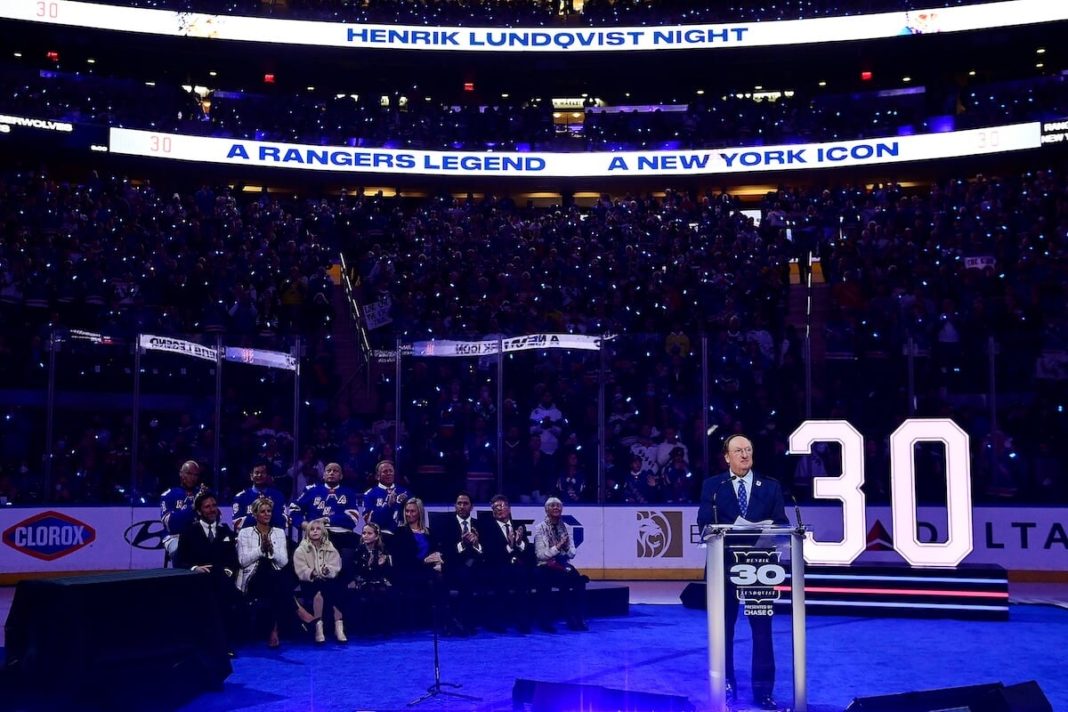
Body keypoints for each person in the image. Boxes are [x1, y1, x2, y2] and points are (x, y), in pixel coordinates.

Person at [697, 434, 788, 710]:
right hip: (723, 568)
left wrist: (771, 533)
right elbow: (703, 524)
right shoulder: (713, 486)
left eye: (748, 450)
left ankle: (763, 692)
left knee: (762, 632)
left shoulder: (771, 487)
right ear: (727, 456)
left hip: (759, 569)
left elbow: (782, 525)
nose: (745, 455)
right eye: (738, 451)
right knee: (723, 630)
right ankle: (725, 685)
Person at [173, 490, 242, 647]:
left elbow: (233, 560)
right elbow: (179, 561)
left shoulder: (225, 532)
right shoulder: (188, 532)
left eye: (214, 506)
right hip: (197, 580)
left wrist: (227, 571)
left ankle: (223, 644)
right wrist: (195, 568)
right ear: (199, 511)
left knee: (227, 595)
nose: (212, 510)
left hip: (221, 580)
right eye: (207, 507)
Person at [288, 461, 362, 575]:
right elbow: (294, 509)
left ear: (341, 476)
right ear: (323, 475)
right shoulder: (311, 490)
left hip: (342, 534)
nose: (331, 473)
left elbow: (353, 518)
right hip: (318, 535)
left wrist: (327, 520)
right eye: (328, 470)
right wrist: (304, 524)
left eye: (335, 471)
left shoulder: (348, 492)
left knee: (360, 547)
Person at [236, 497, 291, 648]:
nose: (267, 514)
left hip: (274, 578)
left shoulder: (279, 533)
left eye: (269, 511)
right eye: (262, 511)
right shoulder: (245, 533)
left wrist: (271, 550)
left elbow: (283, 561)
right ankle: (295, 612)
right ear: (254, 514)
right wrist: (261, 550)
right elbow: (243, 561)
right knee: (274, 578)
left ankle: (273, 630)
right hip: (252, 578)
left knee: (275, 580)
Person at [479, 494, 537, 633]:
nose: (500, 509)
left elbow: (528, 551)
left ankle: (522, 621)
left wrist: (519, 543)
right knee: (502, 576)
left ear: (509, 509)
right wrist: (510, 546)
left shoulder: (519, 526)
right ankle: (496, 621)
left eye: (503, 506)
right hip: (497, 566)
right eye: (496, 507)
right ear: (492, 511)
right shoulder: (487, 528)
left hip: (518, 566)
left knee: (523, 576)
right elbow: (490, 553)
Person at [533, 497, 588, 632]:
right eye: (552, 506)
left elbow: (572, 553)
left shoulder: (567, 528)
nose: (556, 508)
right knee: (545, 581)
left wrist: (567, 547)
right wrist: (558, 547)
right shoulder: (540, 528)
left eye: (558, 505)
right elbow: (541, 555)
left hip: (562, 564)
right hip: (545, 565)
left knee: (578, 582)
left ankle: (577, 618)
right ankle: (545, 621)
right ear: (546, 510)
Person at [434, 491, 484, 636]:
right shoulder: (445, 524)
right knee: (455, 578)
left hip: (475, 565)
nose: (462, 506)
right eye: (459, 503)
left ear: (471, 507)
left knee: (469, 576)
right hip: (452, 566)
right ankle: (453, 623)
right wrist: (462, 544)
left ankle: (462, 622)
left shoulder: (480, 525)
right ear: (455, 506)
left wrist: (476, 544)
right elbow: (443, 549)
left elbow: (487, 550)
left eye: (465, 503)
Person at [390, 498, 444, 629]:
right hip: (408, 570)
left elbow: (437, 548)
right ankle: (413, 623)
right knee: (424, 580)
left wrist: (438, 556)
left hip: (427, 569)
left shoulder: (429, 532)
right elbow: (400, 558)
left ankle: (442, 622)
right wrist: (424, 561)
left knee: (442, 577)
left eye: (412, 511)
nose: (409, 514)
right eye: (407, 511)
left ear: (419, 512)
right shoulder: (400, 532)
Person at [292, 520, 347, 643]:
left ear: (323, 532)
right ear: (307, 532)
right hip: (309, 583)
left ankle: (339, 627)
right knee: (321, 592)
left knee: (331, 589)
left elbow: (336, 566)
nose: (315, 531)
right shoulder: (300, 550)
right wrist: (313, 573)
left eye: (318, 529)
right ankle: (319, 628)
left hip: (327, 581)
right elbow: (300, 570)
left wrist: (328, 571)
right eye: (312, 529)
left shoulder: (331, 548)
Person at [351, 522, 396, 637]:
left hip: (379, 580)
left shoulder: (382, 551)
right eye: (364, 533)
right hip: (363, 580)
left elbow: (387, 572)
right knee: (369, 592)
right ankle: (367, 629)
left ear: (376, 536)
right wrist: (369, 566)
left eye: (369, 533)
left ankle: (385, 628)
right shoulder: (359, 550)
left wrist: (381, 564)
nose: (365, 535)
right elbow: (356, 570)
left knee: (384, 592)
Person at [160, 460, 206, 560]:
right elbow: (170, 524)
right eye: (189, 473)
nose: (192, 477)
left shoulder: (203, 494)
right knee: (181, 551)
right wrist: (193, 507)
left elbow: (216, 517)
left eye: (196, 475)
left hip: (199, 537)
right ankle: (180, 576)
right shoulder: (168, 495)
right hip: (175, 537)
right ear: (181, 474)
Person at [232, 461, 288, 531]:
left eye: (263, 473)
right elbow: (236, 522)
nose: (259, 475)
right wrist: (259, 516)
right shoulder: (240, 497)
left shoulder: (278, 496)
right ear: (251, 476)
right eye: (256, 473)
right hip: (248, 538)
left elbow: (285, 521)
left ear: (268, 476)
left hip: (273, 537)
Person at [362, 460, 410, 532]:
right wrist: (388, 505)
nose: (389, 473)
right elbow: (370, 522)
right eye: (385, 471)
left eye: (391, 471)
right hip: (381, 534)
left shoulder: (404, 492)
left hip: (402, 534)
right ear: (377, 476)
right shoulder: (369, 494)